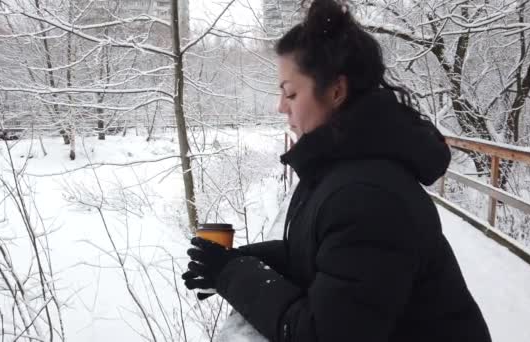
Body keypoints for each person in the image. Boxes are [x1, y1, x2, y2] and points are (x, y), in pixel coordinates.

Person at [182, 1, 492, 341]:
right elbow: (316, 255)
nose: (280, 106)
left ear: (336, 90)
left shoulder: (369, 196)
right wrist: (235, 259)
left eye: (290, 92)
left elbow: (322, 334)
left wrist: (230, 273)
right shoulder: (341, 168)